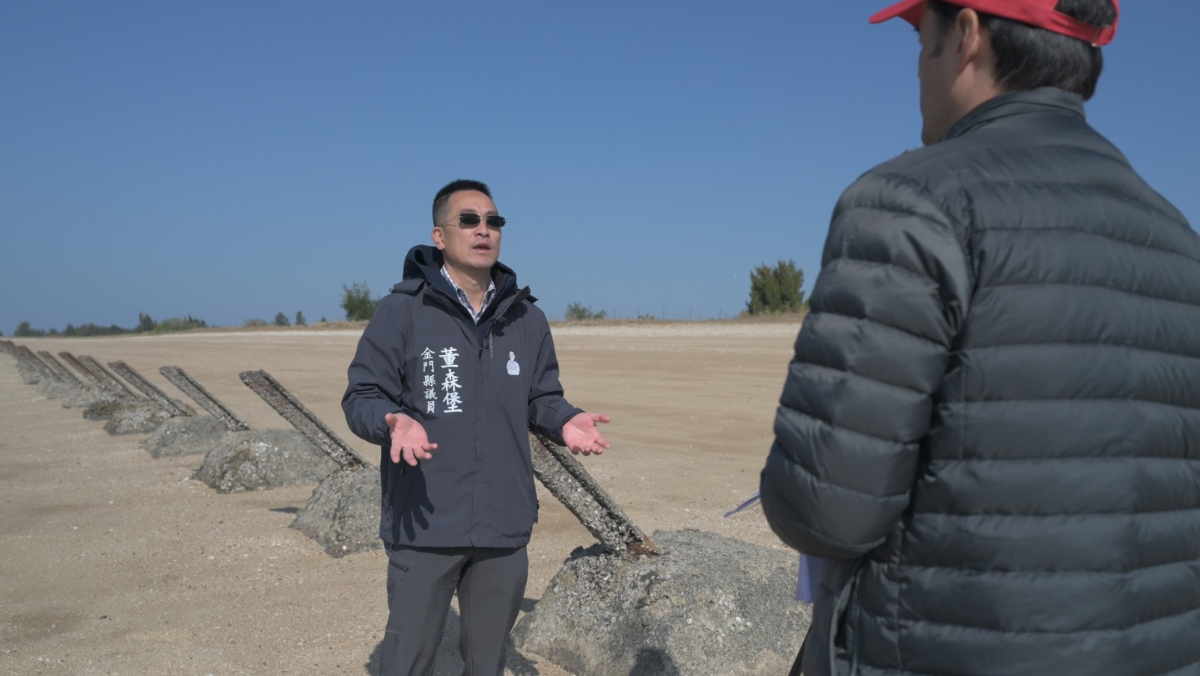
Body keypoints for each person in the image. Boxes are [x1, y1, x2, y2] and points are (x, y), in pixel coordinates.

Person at [760, 2, 1200, 675]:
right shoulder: (1176, 239)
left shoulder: (909, 204)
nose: (917, 67)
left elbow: (824, 509)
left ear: (966, 34)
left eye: (921, 36)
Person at [342, 179, 611, 676]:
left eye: (493, 221)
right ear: (439, 236)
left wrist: (565, 419)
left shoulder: (526, 317)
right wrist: (390, 421)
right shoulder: (402, 310)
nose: (483, 230)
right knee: (406, 660)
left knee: (487, 662)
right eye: (468, 220)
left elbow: (541, 397)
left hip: (502, 522)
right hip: (425, 520)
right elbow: (362, 396)